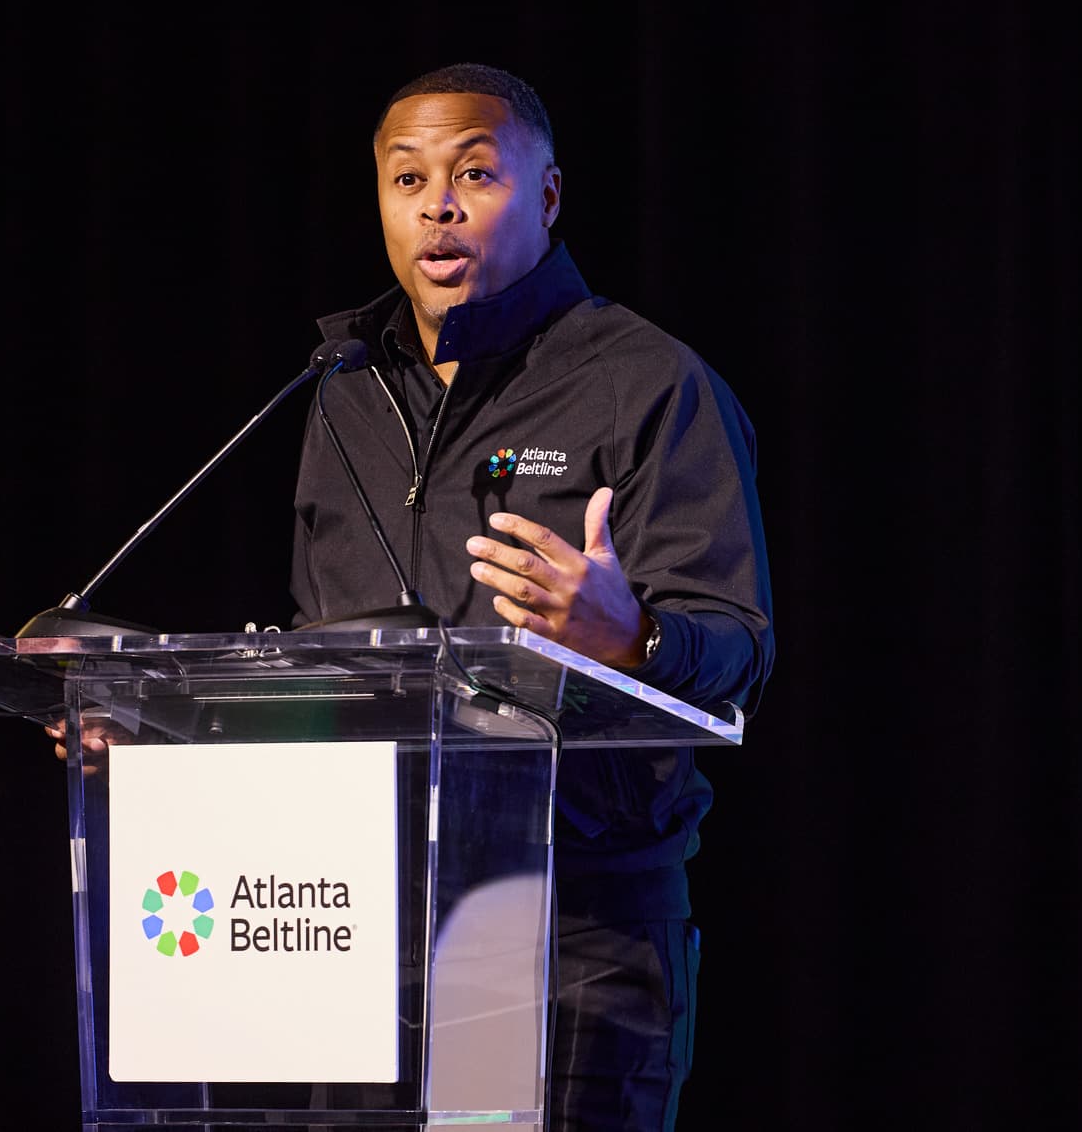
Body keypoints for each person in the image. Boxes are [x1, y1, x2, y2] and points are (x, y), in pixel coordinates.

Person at [54, 62, 774, 1131]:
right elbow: (328, 661)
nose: (437, 203)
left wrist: (630, 635)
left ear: (546, 197)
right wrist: (167, 734)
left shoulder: (648, 383)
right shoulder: (343, 389)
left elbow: (737, 645)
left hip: (567, 928)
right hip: (355, 934)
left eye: (474, 174)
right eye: (407, 179)